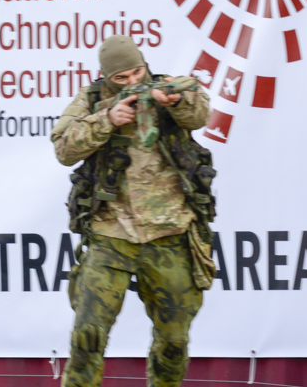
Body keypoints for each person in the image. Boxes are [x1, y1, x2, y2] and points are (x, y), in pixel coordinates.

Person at [51, 35, 216, 387]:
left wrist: (175, 102)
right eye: (121, 78)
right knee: (87, 335)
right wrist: (107, 119)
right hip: (111, 235)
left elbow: (200, 113)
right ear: (106, 76)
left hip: (170, 233)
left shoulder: (167, 87)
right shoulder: (92, 99)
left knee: (174, 341)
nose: (131, 82)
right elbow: (63, 148)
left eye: (137, 73)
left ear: (145, 66)